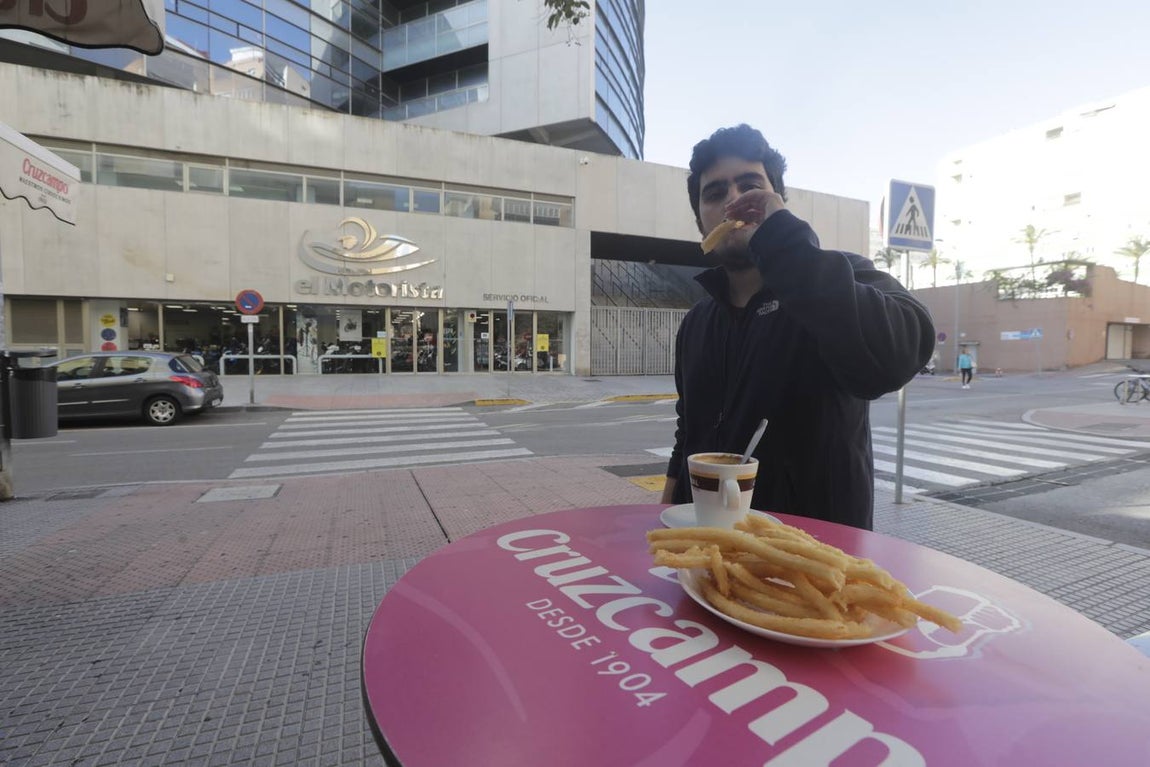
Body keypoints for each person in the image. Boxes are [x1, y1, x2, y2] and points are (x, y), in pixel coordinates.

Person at [660, 125, 935, 531]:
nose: (733, 200)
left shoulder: (839, 277)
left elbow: (899, 354)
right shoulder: (697, 323)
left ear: (778, 202)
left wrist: (787, 245)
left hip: (813, 562)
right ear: (701, 220)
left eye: (749, 186)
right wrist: (663, 510)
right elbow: (689, 431)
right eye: (715, 193)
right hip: (708, 549)